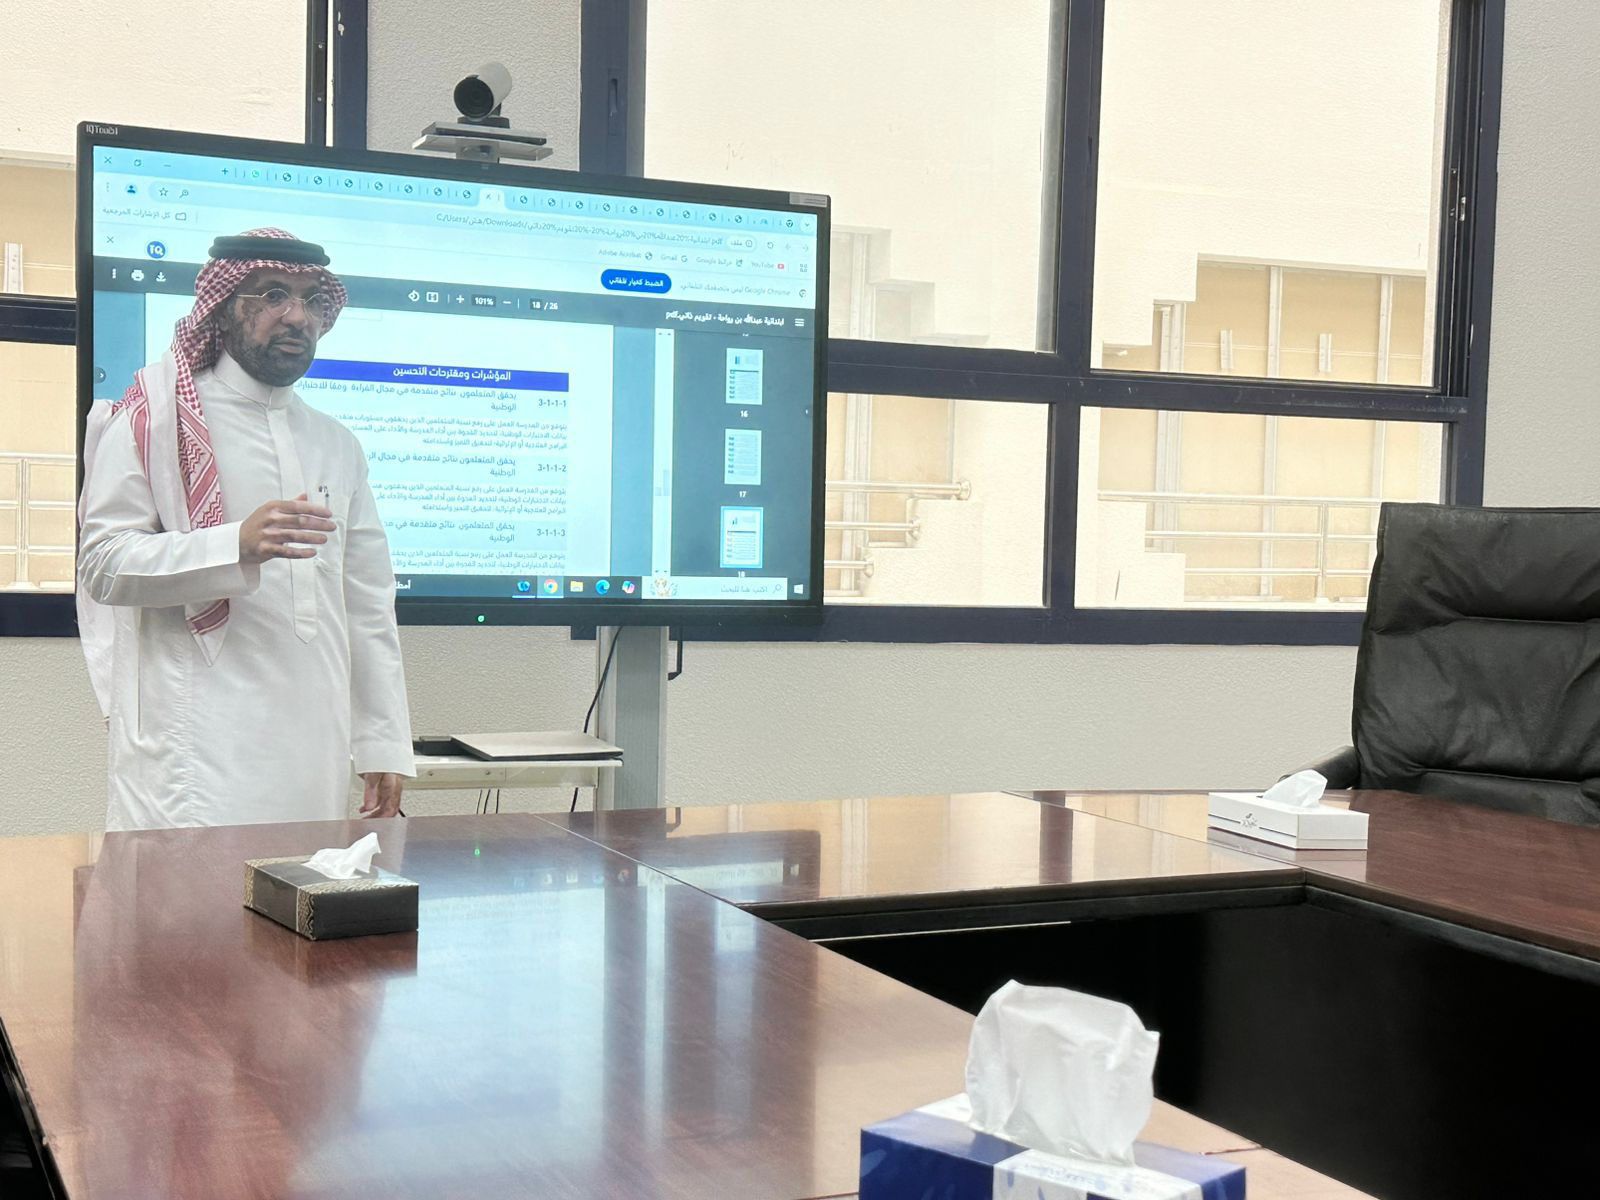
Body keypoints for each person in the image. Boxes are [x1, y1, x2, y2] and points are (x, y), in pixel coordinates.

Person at [78, 228, 414, 830]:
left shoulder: (337, 444)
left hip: (313, 749)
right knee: (193, 893)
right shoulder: (153, 423)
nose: (297, 317)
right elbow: (103, 565)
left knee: (303, 886)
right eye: (273, 295)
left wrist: (383, 741)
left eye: (313, 301)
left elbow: (367, 604)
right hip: (192, 754)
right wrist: (234, 544)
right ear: (225, 308)